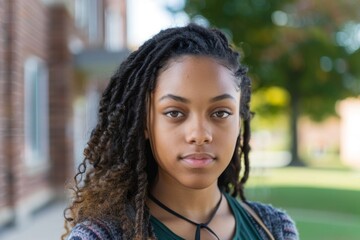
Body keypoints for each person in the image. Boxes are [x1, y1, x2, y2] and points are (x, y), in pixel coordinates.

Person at [62, 24, 299, 240]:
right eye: (175, 113)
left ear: (239, 121)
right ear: (145, 123)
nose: (199, 134)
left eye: (220, 113)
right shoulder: (102, 236)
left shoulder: (274, 229)